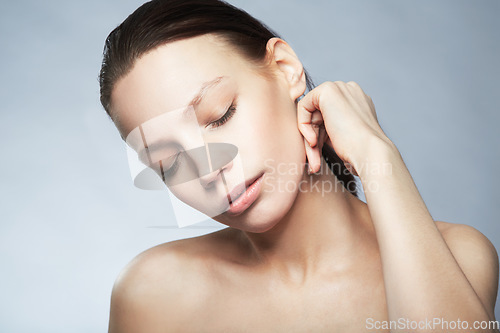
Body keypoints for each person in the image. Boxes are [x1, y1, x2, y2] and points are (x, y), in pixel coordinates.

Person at [99, 0, 499, 332]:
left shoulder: (456, 257)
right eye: (169, 163)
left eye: (220, 115)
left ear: (286, 69)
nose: (207, 170)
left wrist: (377, 155)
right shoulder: (155, 295)